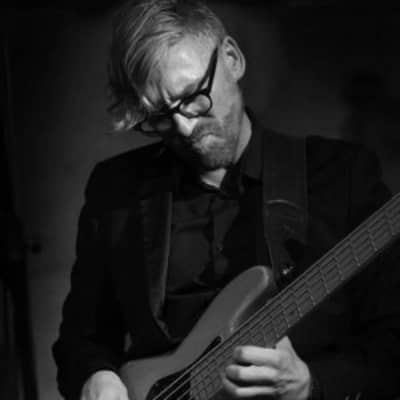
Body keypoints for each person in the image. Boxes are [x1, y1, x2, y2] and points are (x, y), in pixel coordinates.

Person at [52, 1, 400, 399]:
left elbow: (393, 342)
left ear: (232, 59)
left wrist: (312, 385)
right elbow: (80, 340)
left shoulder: (342, 176)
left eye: (193, 96)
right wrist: (96, 377)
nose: (184, 127)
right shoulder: (116, 190)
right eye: (159, 116)